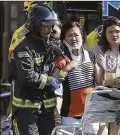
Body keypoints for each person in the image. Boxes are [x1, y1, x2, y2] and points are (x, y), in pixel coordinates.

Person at [11, 5, 62, 135]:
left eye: (52, 25)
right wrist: (51, 81)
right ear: (35, 25)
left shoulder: (52, 45)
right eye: (46, 25)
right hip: (27, 111)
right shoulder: (24, 48)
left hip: (47, 111)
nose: (50, 29)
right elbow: (27, 77)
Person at [90, 16, 120, 135]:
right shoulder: (96, 52)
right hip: (101, 95)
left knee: (115, 132)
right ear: (105, 35)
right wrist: (102, 68)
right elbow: (97, 81)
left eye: (117, 31)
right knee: (101, 130)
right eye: (110, 32)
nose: (114, 34)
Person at [60, 20, 101, 134]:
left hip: (91, 114)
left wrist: (99, 66)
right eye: (69, 35)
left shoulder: (91, 55)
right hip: (70, 116)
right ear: (64, 39)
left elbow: (99, 81)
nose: (73, 38)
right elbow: (55, 81)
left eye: (76, 35)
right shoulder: (61, 59)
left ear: (82, 36)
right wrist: (67, 69)